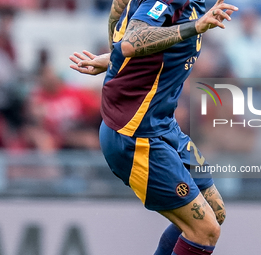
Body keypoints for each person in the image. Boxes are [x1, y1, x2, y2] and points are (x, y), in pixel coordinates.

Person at [70, 0, 238, 254]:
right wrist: (196, 26)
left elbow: (119, 10)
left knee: (215, 211)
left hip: (162, 124)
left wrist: (113, 61)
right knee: (205, 230)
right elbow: (131, 41)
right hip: (135, 133)